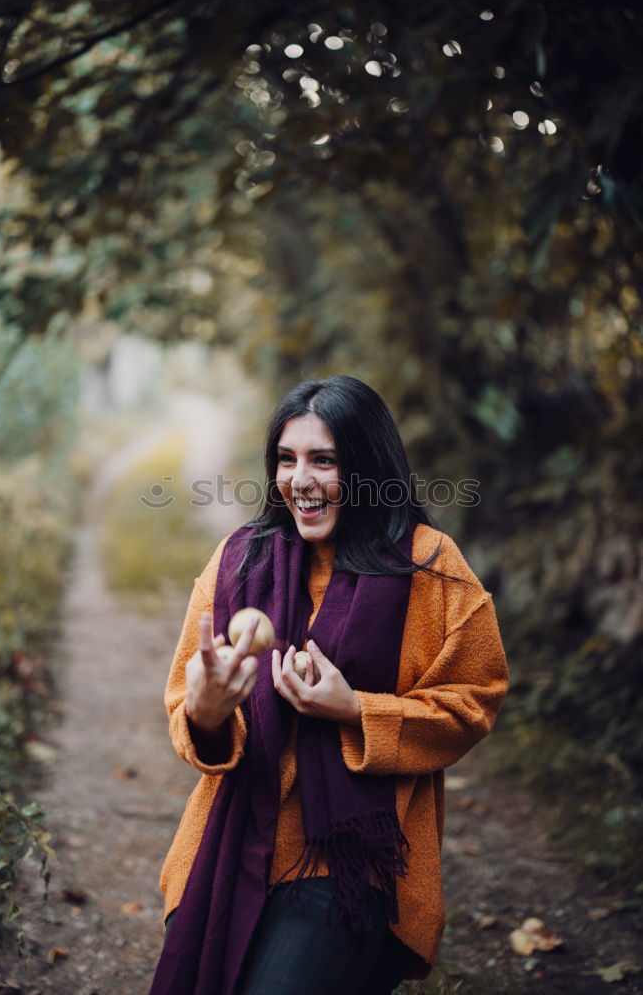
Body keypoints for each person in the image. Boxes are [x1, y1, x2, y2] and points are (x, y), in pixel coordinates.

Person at [149, 375, 509, 995]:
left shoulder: (431, 566)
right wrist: (207, 713)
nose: (300, 480)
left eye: (325, 460)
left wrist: (356, 711)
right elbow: (188, 706)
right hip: (230, 841)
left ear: (368, 467)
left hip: (348, 862)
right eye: (286, 460)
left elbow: (475, 699)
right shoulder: (239, 559)